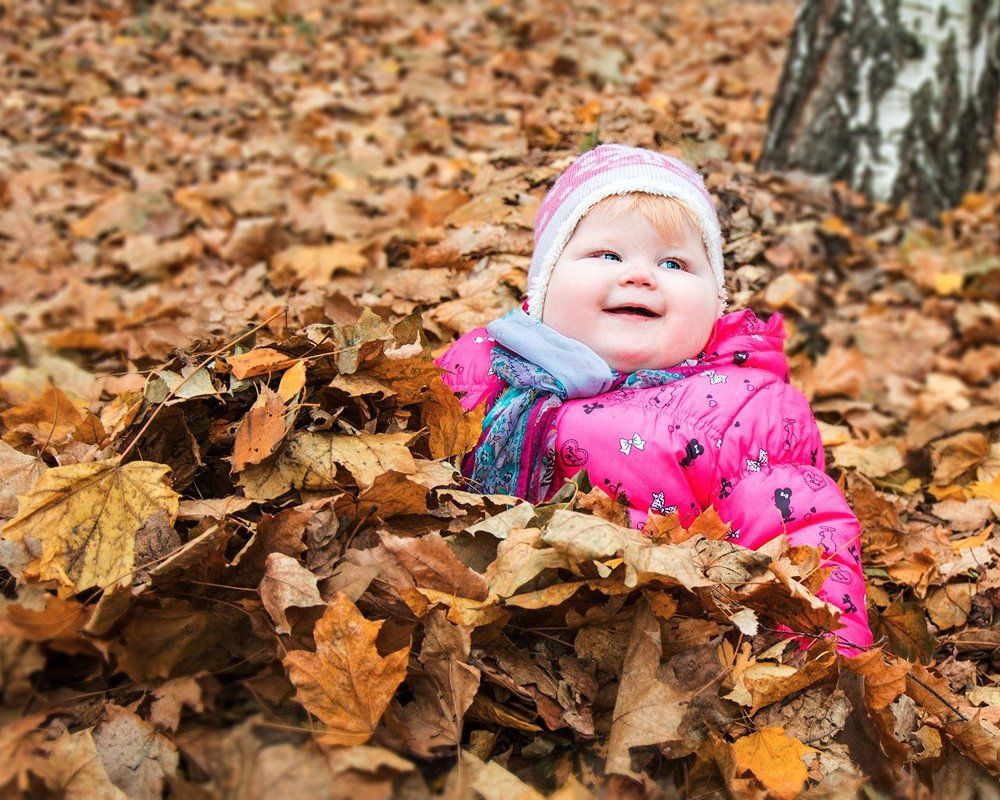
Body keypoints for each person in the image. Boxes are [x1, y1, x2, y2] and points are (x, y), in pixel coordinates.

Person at [435, 143, 873, 655]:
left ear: (716, 303)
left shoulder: (742, 408)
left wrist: (823, 663)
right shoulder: (480, 368)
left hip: (658, 653)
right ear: (542, 287)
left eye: (673, 262)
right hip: (480, 635)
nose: (639, 275)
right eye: (607, 255)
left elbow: (802, 530)